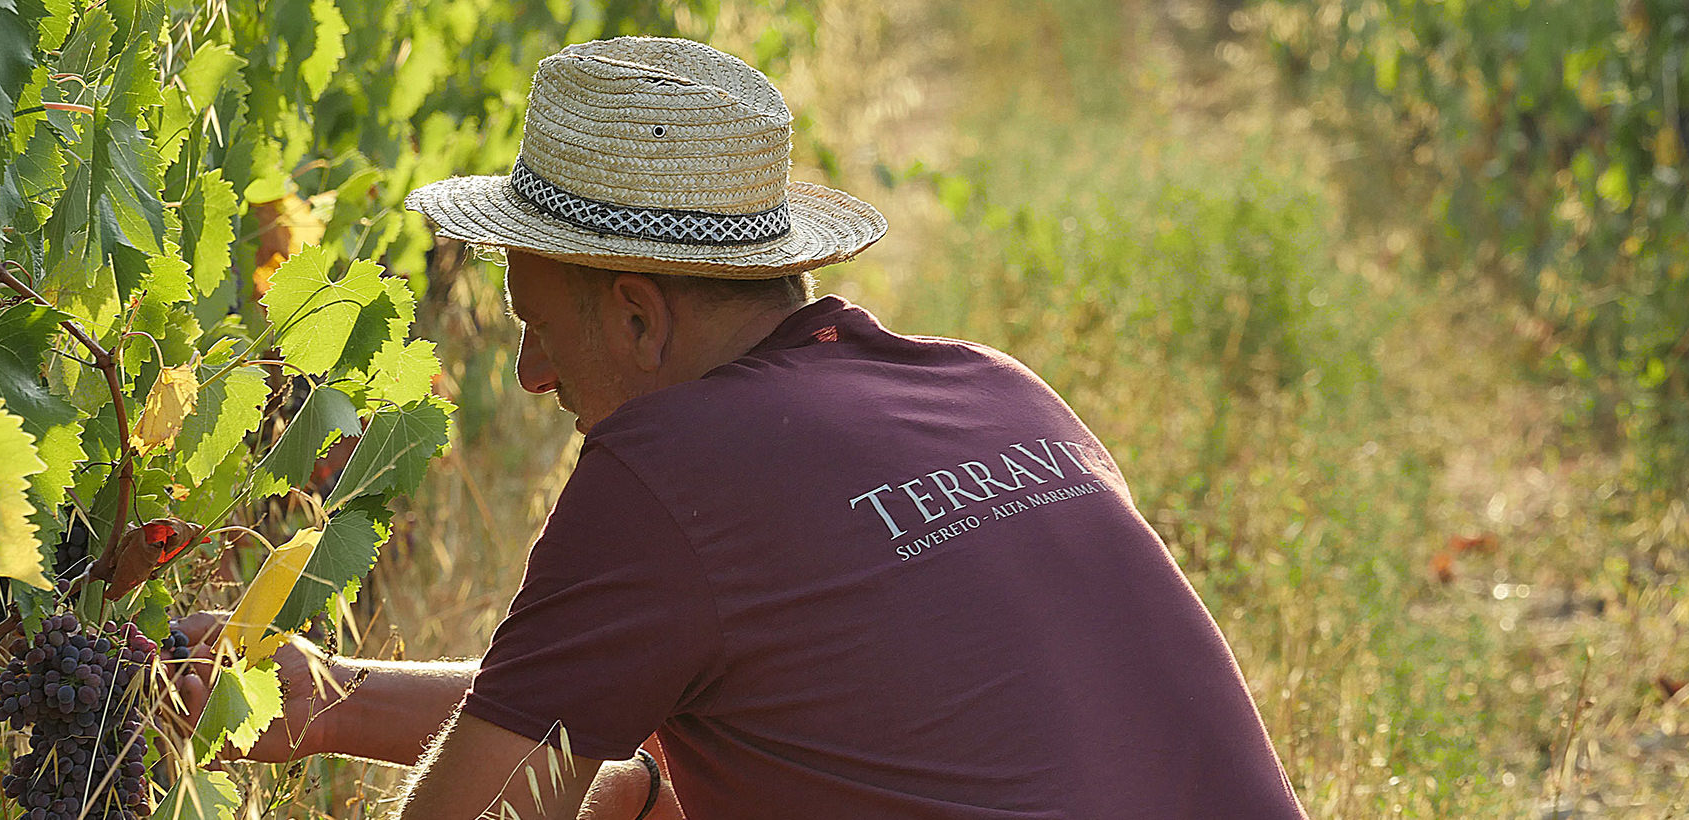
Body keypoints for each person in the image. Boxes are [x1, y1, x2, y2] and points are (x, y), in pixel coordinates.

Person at [177, 36, 1307, 819]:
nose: (528, 373)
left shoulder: (675, 468)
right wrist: (329, 703)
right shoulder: (992, 387)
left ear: (635, 314)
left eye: (535, 323)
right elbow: (678, 716)